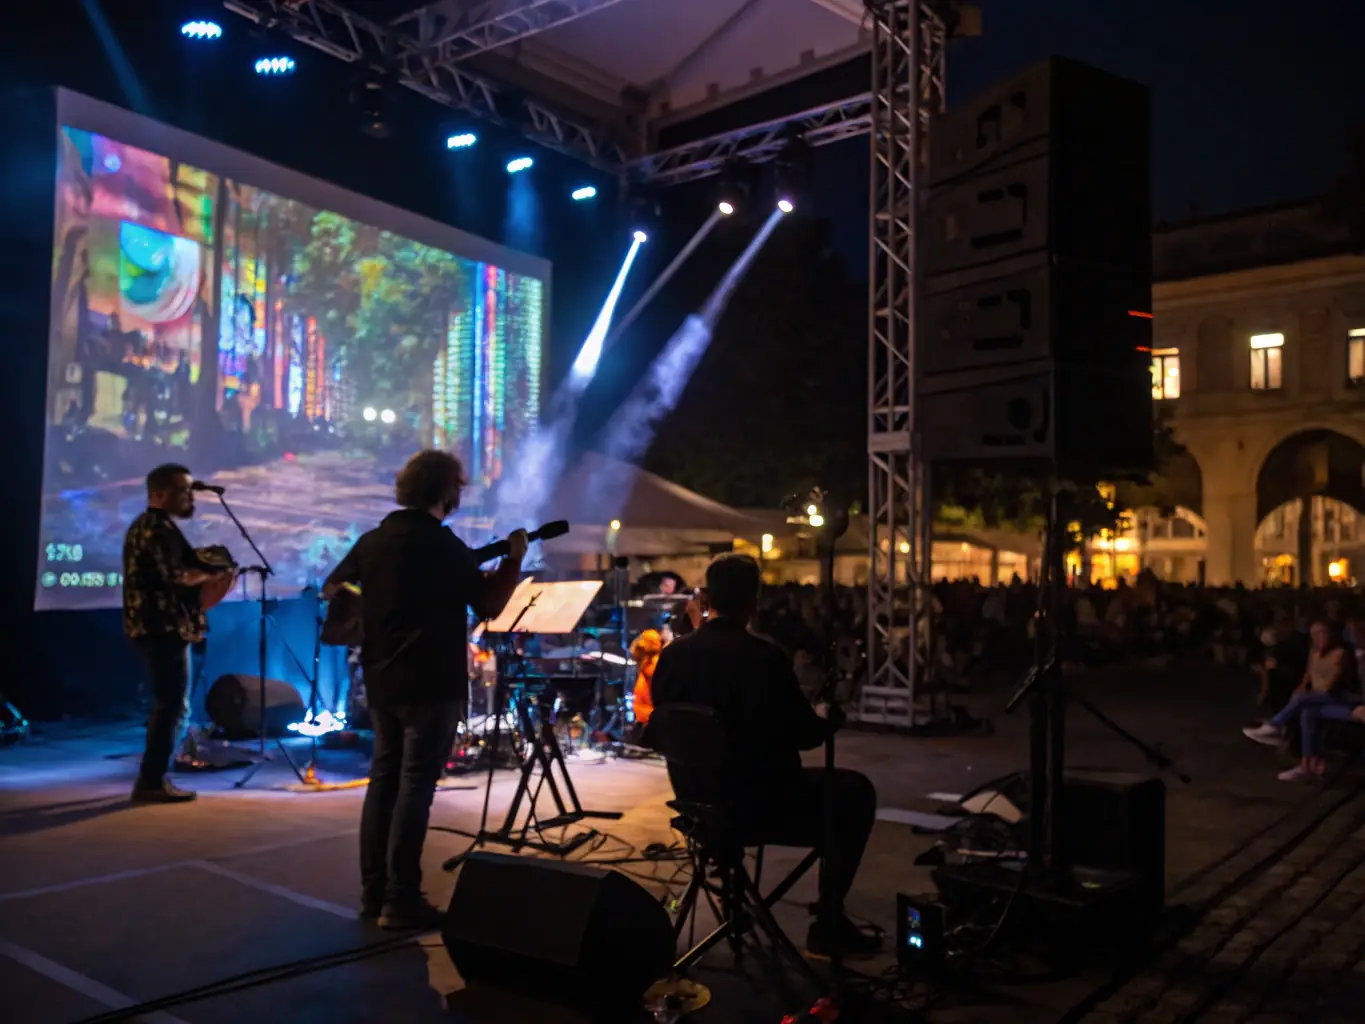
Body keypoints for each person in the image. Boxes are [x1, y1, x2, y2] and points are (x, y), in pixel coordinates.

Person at [324, 450, 526, 930]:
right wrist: (514, 561)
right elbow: (490, 605)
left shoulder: (372, 541)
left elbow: (334, 587)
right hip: (432, 681)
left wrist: (373, 608)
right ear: (445, 491)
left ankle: (373, 896)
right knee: (415, 787)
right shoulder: (442, 544)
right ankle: (401, 899)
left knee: (385, 783)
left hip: (382, 677)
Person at [649, 553, 880, 958]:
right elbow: (806, 736)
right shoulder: (763, 657)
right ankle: (828, 920)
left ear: (706, 597)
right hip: (762, 805)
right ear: (754, 600)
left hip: (697, 805)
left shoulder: (673, 657)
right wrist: (830, 715)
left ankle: (735, 898)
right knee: (856, 793)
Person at [122, 464, 236, 802]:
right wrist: (214, 575)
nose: (190, 497)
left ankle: (154, 777)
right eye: (182, 490)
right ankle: (151, 781)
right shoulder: (154, 529)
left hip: (162, 627)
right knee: (170, 705)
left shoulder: (157, 528)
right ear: (158, 494)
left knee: (172, 704)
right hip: (160, 627)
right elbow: (176, 576)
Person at [1244, 619, 1362, 781]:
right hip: (1320, 700)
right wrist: (1301, 687)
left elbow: (1331, 685)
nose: (1318, 637)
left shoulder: (1340, 653)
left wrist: (1306, 695)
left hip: (1341, 700)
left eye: (1322, 633)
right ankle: (1308, 765)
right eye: (1315, 634)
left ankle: (1275, 726)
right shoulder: (1314, 653)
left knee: (1302, 701)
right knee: (1307, 713)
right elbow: (1308, 674)